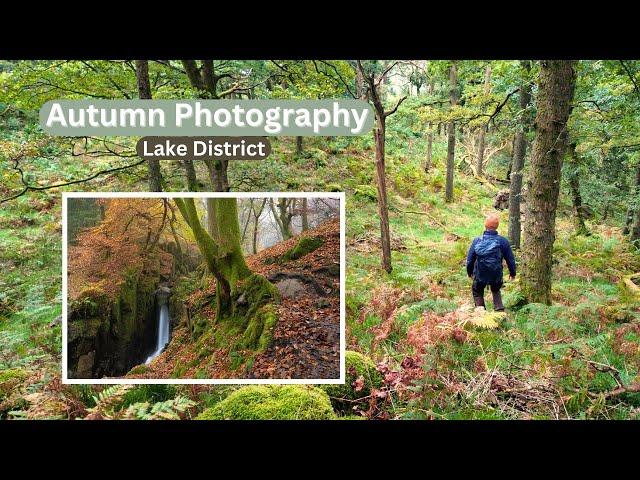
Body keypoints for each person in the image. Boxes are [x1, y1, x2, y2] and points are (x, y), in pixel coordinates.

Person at [466, 214, 516, 312]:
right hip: (496, 274)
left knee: (477, 291)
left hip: (480, 274)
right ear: (497, 226)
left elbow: (470, 260)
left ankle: (481, 315)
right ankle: (499, 313)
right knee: (496, 290)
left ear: (485, 225)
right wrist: (512, 273)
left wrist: (469, 272)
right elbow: (510, 259)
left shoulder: (477, 241)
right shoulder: (503, 241)